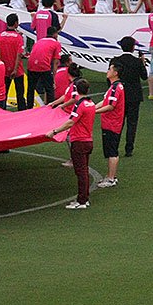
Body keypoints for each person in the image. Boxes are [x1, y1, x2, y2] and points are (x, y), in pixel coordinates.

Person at [46, 79, 96, 209]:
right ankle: (84, 199)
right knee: (84, 171)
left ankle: (81, 201)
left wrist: (54, 131)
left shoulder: (80, 105)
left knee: (81, 172)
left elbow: (71, 122)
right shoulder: (91, 103)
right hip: (88, 140)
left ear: (76, 91)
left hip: (79, 141)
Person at [110, 36, 146, 157]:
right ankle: (129, 148)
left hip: (119, 95)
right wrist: (142, 62)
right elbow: (144, 76)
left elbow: (109, 78)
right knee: (132, 123)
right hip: (134, 95)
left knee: (118, 122)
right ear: (133, 47)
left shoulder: (115, 61)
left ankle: (114, 146)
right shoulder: (137, 61)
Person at [94, 62, 125, 188]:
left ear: (115, 73)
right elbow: (105, 101)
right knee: (110, 151)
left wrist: (94, 112)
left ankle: (111, 178)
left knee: (112, 152)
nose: (107, 71)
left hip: (112, 124)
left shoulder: (115, 88)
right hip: (110, 123)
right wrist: (93, 108)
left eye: (110, 69)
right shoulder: (114, 86)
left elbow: (111, 106)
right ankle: (110, 176)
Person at [0, 14, 26, 110]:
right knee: (20, 94)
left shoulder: (0, 36)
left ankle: (2, 111)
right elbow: (19, 54)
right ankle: (22, 112)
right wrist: (15, 69)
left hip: (4, 69)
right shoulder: (18, 37)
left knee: (4, 93)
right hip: (17, 70)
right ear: (16, 23)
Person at [26, 26, 61, 106]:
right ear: (55, 34)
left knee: (31, 88)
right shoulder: (56, 43)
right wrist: (54, 77)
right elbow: (56, 62)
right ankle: (50, 108)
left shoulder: (39, 41)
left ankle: (29, 107)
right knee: (49, 89)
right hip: (43, 65)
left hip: (31, 65)